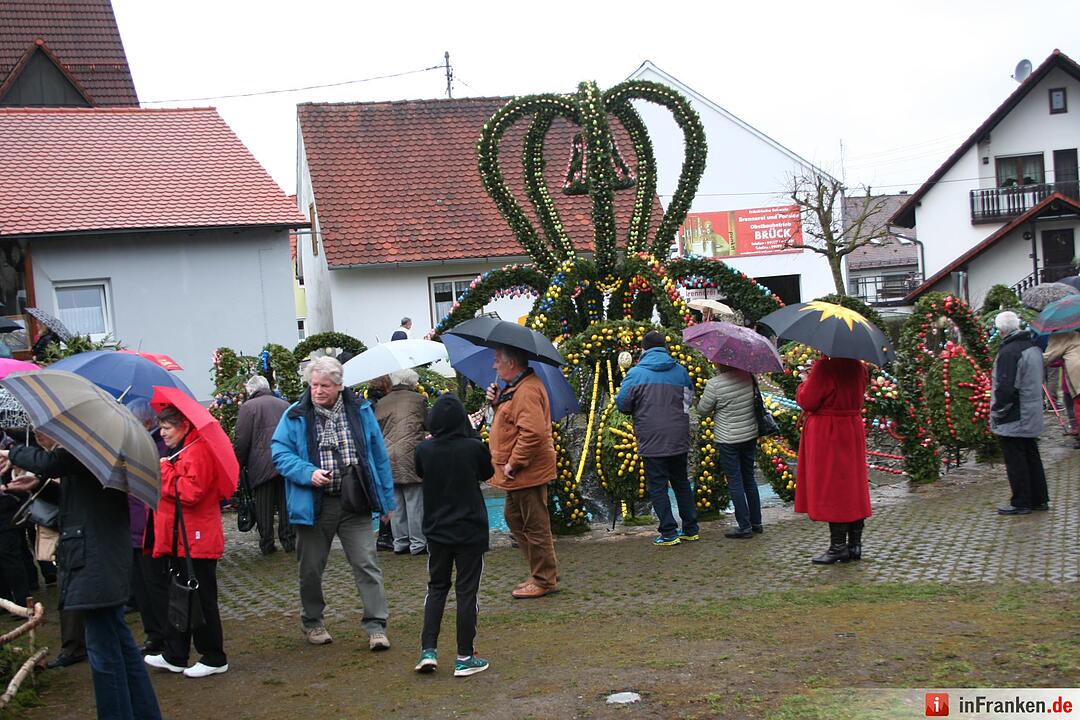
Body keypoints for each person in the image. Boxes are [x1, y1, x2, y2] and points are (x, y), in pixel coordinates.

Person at [1, 433, 162, 719]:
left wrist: (11, 453)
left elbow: (51, 463)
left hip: (95, 559)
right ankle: (144, 713)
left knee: (104, 654)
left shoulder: (90, 443)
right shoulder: (94, 448)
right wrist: (38, 486)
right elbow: (81, 496)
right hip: (100, 556)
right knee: (119, 645)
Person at [271, 356, 396, 649]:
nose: (317, 390)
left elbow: (378, 455)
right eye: (314, 385)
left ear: (339, 386)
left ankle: (376, 626)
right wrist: (307, 473)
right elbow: (279, 453)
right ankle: (313, 622)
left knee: (366, 563)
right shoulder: (295, 414)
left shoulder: (360, 411)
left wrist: (387, 501)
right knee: (310, 569)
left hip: (355, 501)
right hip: (314, 505)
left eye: (324, 385)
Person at [144, 404, 233, 678]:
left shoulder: (198, 450)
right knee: (181, 597)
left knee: (201, 599)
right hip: (184, 539)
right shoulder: (183, 450)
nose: (162, 434)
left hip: (197, 539)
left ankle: (214, 656)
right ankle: (175, 654)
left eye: (167, 428)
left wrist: (165, 471)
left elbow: (191, 492)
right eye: (161, 428)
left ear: (183, 426)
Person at [413, 394, 493, 677]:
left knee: (436, 588)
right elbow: (487, 472)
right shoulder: (474, 448)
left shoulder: (424, 450)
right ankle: (464, 655)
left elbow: (419, 472)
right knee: (466, 591)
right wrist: (473, 434)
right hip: (470, 529)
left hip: (437, 529)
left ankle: (428, 650)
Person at [486, 344, 559, 599]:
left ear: (511, 363)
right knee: (514, 518)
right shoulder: (516, 388)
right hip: (519, 475)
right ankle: (541, 572)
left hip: (526, 472)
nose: (494, 365)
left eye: (497, 360)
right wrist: (496, 403)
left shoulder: (526, 390)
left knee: (534, 525)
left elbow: (533, 432)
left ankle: (544, 579)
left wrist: (514, 463)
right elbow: (511, 423)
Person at [615, 331, 700, 546]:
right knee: (681, 482)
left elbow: (623, 404)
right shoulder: (680, 371)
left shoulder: (636, 374)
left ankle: (669, 532)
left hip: (651, 438)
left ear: (644, 349)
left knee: (658, 485)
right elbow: (688, 400)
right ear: (664, 347)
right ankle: (690, 528)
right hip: (678, 436)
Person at [794, 356, 871, 564]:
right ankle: (855, 545)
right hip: (851, 427)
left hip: (829, 430)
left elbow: (808, 401)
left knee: (833, 487)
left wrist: (804, 382)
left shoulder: (825, 367)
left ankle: (838, 547)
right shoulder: (858, 367)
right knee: (853, 485)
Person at [124, 398, 170, 656]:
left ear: (148, 422)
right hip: (133, 526)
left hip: (150, 529)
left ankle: (166, 635)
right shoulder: (133, 446)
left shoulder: (159, 447)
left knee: (155, 586)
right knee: (141, 588)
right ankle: (153, 634)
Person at [992, 311, 1049, 515]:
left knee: (1016, 459)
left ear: (1002, 331)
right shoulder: (1033, 347)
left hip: (1015, 414)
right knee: (1031, 455)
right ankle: (1039, 499)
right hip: (1032, 409)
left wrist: (997, 411)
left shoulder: (1009, 352)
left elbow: (1005, 386)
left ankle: (1021, 501)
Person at [697, 363, 761, 539]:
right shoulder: (748, 376)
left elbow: (702, 410)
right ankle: (756, 522)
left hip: (728, 438)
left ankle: (744, 526)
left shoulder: (715, 384)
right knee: (749, 478)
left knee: (735, 481)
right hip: (749, 434)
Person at [234, 375, 295, 555]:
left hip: (260, 464)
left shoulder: (248, 407)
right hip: (285, 461)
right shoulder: (284, 404)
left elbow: (242, 440)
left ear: (251, 390)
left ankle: (267, 543)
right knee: (285, 503)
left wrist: (238, 463)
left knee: (263, 505)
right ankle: (289, 540)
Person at [374, 369, 428, 556]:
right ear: (411, 382)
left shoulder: (382, 402)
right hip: (411, 454)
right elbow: (427, 424)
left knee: (395, 501)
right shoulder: (418, 400)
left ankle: (400, 542)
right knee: (414, 500)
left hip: (387, 455)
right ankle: (418, 543)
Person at [366, 375, 396, 552]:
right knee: (386, 494)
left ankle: (384, 535)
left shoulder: (366, 405)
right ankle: (385, 536)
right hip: (381, 451)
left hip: (369, 453)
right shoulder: (383, 405)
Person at [1044, 330, 1080, 449]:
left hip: (1076, 377)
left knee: (1078, 406)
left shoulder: (1062, 335)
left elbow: (1047, 357)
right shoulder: (1075, 334)